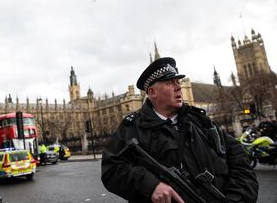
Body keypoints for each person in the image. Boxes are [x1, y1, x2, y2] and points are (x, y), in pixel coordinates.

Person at [101, 57, 258, 203]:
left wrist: (237, 198)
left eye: (178, 81)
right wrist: (150, 185)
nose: (178, 87)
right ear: (152, 92)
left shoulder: (200, 121)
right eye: (170, 82)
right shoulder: (132, 127)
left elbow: (239, 159)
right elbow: (112, 169)